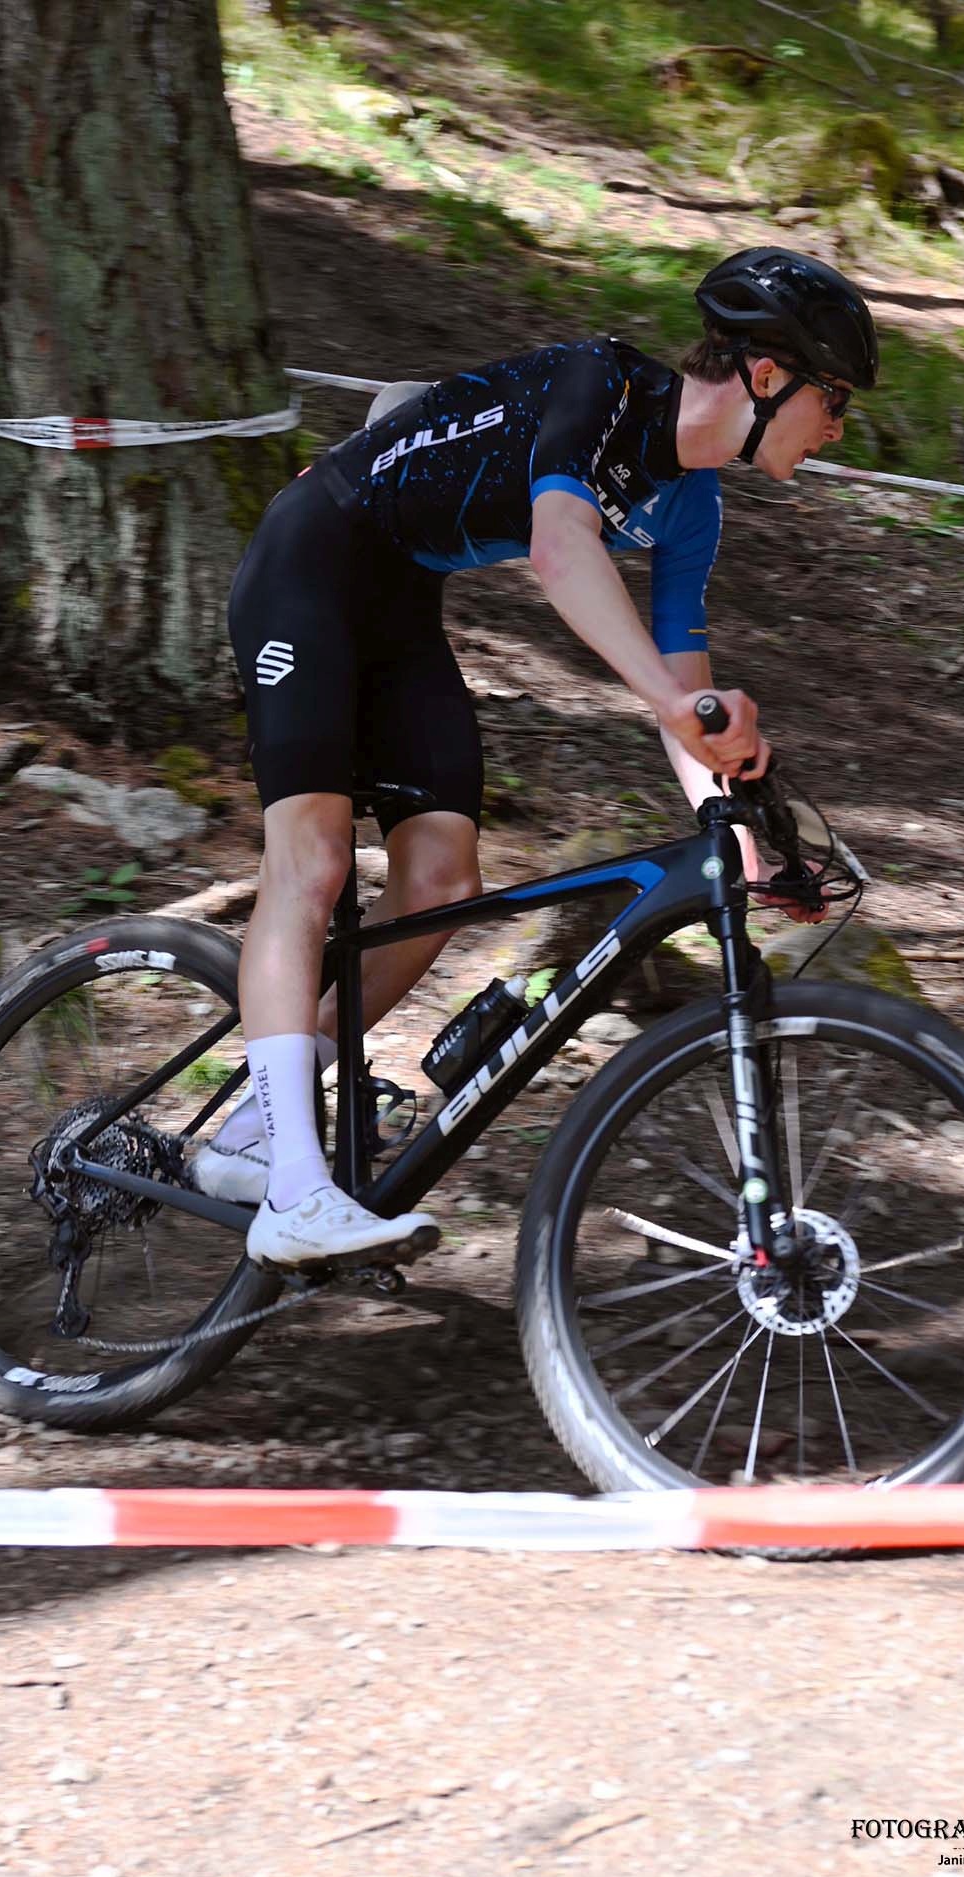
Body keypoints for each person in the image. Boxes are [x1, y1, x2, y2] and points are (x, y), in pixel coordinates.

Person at [196, 247, 879, 1274]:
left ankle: (259, 1127)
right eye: (834, 399)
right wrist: (676, 702)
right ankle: (294, 1191)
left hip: (397, 598)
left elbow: (682, 695)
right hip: (309, 558)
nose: (837, 428)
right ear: (767, 375)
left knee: (442, 882)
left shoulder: (693, 506)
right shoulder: (601, 384)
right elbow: (561, 548)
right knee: (315, 860)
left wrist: (737, 833)